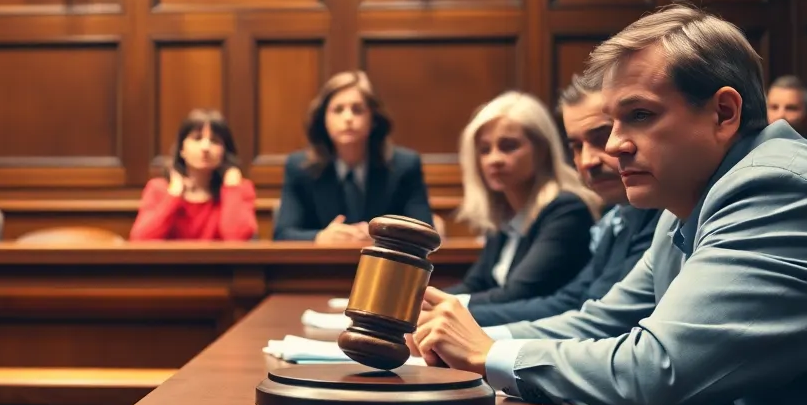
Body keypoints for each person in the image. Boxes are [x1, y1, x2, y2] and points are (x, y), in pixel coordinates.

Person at [410, 2, 807, 405]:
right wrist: (474, 341)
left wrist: (487, 354)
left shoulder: (781, 188)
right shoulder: (684, 201)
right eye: (614, 122)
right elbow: (602, 322)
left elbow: (657, 369)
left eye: (640, 114)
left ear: (723, 112)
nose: (615, 144)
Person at [453, 78, 660, 326]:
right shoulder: (621, 214)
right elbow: (576, 302)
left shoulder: (569, 209)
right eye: (576, 146)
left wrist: (456, 319)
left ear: (542, 150)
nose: (587, 161)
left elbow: (601, 320)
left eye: (601, 137)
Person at [443, 91, 600, 304]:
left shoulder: (566, 210)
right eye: (485, 150)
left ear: (542, 150)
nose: (494, 159)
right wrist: (422, 300)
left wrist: (444, 306)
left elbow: (517, 294)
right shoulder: (504, 213)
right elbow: (476, 284)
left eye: (508, 146)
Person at [274, 71, 433, 244]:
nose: (348, 118)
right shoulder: (300, 168)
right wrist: (320, 237)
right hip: (322, 269)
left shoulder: (404, 167)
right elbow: (283, 234)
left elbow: (424, 233)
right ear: (323, 120)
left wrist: (380, 236)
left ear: (373, 119)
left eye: (357, 110)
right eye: (338, 110)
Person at [130, 109, 257, 241]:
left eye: (214, 140)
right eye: (197, 138)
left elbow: (237, 239)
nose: (205, 147)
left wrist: (232, 188)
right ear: (181, 149)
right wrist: (174, 195)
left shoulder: (240, 190)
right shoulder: (158, 189)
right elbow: (141, 239)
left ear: (225, 152)